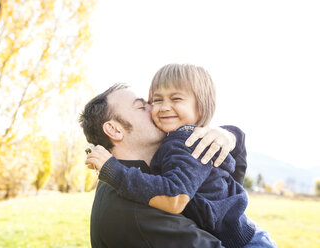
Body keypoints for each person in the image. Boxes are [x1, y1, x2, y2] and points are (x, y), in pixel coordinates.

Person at [86, 64, 277, 248]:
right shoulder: (130, 206)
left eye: (176, 99)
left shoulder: (184, 145)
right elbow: (173, 197)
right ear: (114, 129)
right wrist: (112, 170)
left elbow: (228, 180)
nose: (157, 109)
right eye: (147, 105)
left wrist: (231, 136)